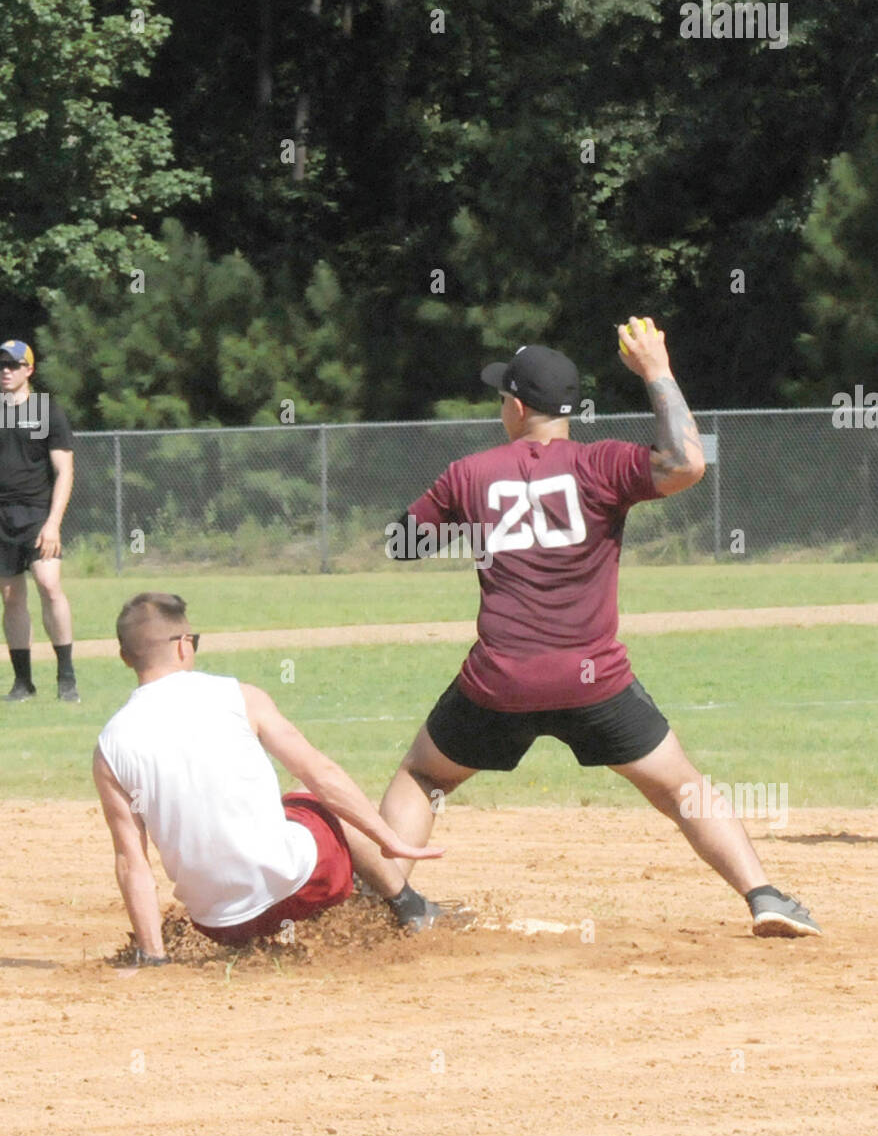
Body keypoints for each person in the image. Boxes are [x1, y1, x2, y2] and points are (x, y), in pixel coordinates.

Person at [380, 319, 820, 939]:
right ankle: (764, 895)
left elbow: (401, 543)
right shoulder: (603, 464)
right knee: (681, 788)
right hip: (594, 681)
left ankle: (397, 906)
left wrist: (474, 519)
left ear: (516, 405)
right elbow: (686, 464)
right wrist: (657, 370)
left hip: (500, 680)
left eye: (501, 395)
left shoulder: (470, 473)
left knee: (424, 777)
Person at [94, 592, 450, 963]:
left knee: (288, 817)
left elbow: (130, 861)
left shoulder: (109, 747)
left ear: (125, 658)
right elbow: (322, 776)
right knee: (307, 797)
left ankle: (310, 919)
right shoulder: (239, 696)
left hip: (220, 925)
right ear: (184, 646)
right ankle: (409, 905)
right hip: (305, 886)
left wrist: (153, 956)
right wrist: (389, 840)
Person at [0, 339, 79, 702]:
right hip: (2, 517)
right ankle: (23, 683)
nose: (6, 371)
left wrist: (53, 523)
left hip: (38, 514)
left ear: (29, 370)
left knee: (49, 584)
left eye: (14, 365)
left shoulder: (47, 411)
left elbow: (64, 471)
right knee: (11, 596)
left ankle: (66, 677)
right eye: (2, 365)